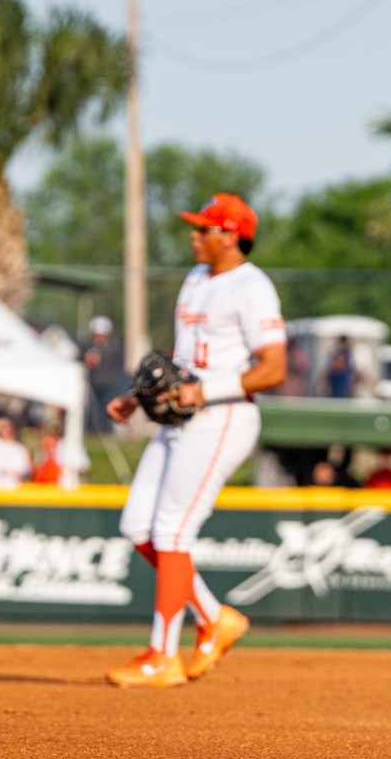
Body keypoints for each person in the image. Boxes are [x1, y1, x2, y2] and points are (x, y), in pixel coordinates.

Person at [104, 192, 285, 688]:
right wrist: (138, 398)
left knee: (172, 533)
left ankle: (162, 655)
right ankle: (213, 616)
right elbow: (180, 364)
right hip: (180, 417)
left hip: (222, 417)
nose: (194, 235)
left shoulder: (252, 287)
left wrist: (208, 389)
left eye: (204, 228)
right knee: (138, 525)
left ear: (229, 235)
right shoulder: (196, 278)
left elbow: (274, 368)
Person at [83, 316, 125, 434]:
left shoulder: (115, 346)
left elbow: (119, 366)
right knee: (93, 413)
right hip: (93, 385)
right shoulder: (88, 347)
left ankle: (107, 432)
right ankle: (92, 431)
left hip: (110, 386)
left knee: (107, 412)